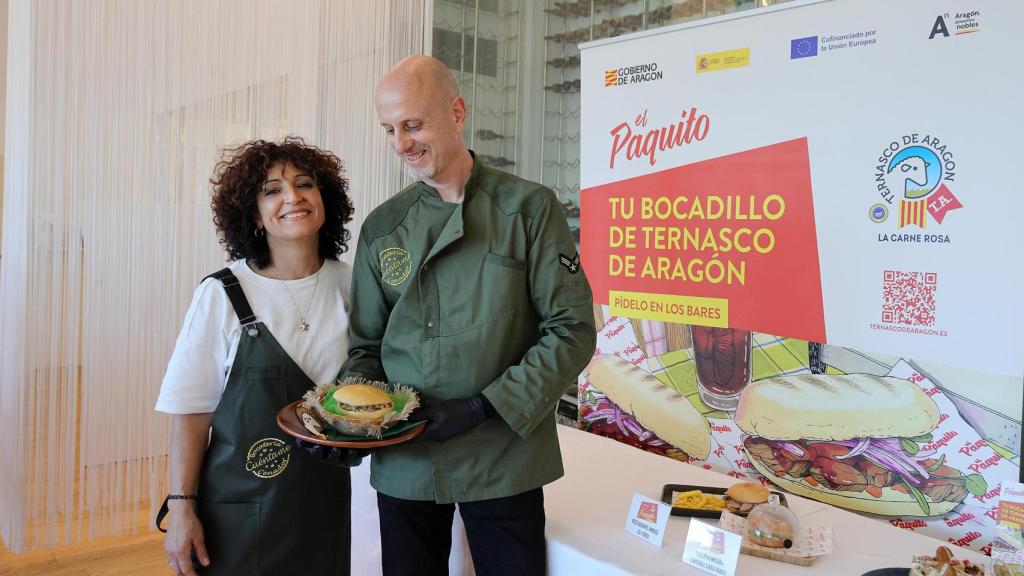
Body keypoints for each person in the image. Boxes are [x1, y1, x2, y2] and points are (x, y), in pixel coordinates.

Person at [341, 54, 597, 575]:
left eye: (413, 125)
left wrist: (483, 406)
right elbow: (366, 351)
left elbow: (571, 330)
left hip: (504, 455)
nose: (401, 144)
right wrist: (347, 422)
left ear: (457, 113)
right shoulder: (383, 228)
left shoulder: (529, 210)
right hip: (406, 457)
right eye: (389, 129)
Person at [154, 137, 358, 576]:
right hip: (240, 508)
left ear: (326, 200)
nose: (293, 197)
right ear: (252, 214)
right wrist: (182, 509)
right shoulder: (222, 294)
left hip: (323, 503)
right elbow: (191, 413)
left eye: (305, 184)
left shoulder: (351, 286)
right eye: (272, 190)